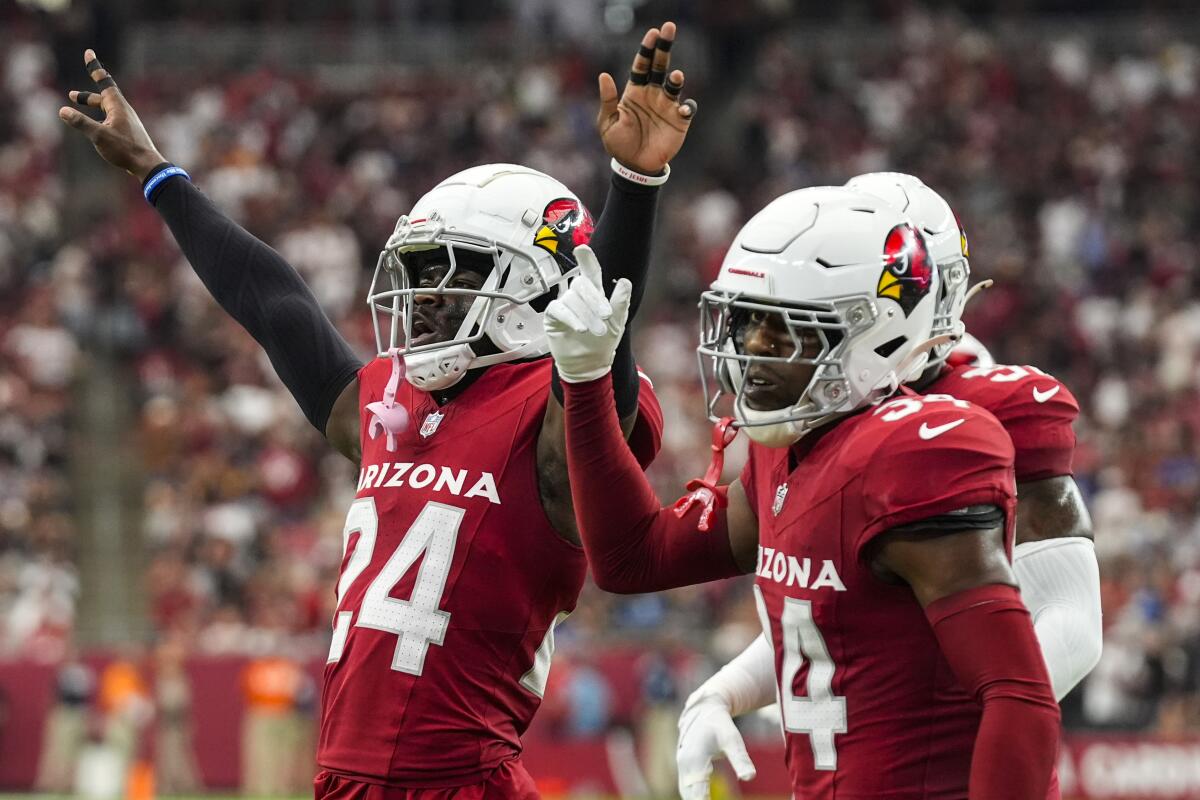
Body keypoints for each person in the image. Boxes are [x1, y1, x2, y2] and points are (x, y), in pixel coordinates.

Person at [58, 22, 697, 796]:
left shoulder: (556, 423)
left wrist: (632, 186)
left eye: (450, 273)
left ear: (539, 287)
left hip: (462, 781)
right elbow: (276, 307)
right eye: (417, 272)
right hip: (346, 780)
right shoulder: (392, 403)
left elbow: (602, 368)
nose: (422, 298)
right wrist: (160, 173)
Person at [545, 185, 1061, 798]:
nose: (751, 351)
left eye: (784, 331)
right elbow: (633, 559)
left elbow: (1018, 694)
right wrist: (585, 381)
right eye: (745, 322)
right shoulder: (783, 450)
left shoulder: (915, 454)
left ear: (875, 335)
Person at [676, 173, 1102, 798]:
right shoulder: (817, 410)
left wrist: (945, 721)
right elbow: (829, 625)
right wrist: (724, 691)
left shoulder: (985, 412)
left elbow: (1072, 627)